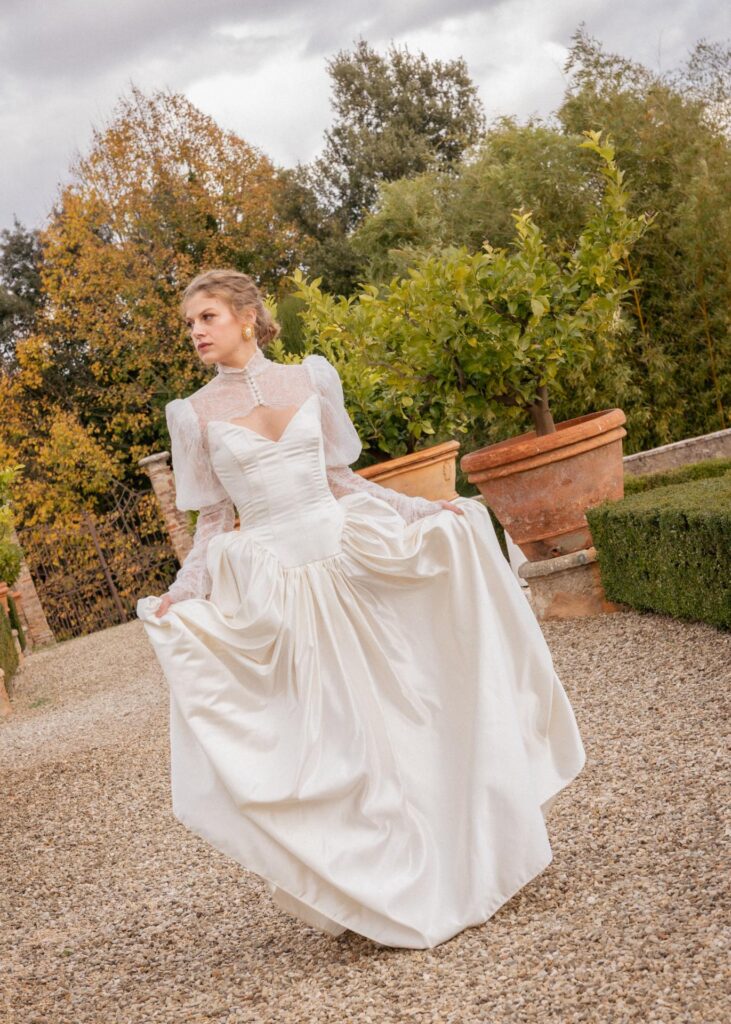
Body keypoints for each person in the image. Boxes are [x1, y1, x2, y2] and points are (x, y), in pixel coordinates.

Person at [136, 268, 586, 949]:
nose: (195, 331)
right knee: (331, 741)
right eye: (189, 323)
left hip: (348, 562)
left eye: (207, 317)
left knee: (408, 710)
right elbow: (210, 521)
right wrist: (182, 592)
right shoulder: (192, 414)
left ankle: (451, 854)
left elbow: (340, 481)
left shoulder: (311, 378)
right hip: (279, 587)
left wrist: (420, 509)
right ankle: (373, 880)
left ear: (248, 317)